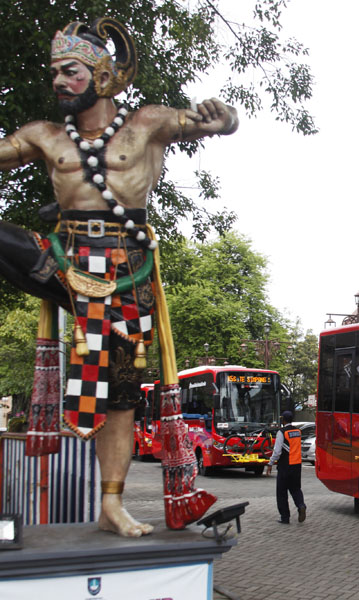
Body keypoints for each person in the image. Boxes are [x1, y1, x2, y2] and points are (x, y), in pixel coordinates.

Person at [0, 17, 238, 537]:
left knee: (122, 399)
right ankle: (58, 285)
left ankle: (113, 503)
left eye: (71, 72)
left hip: (129, 275)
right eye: (54, 73)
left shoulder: (147, 123)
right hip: (65, 263)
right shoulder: (43, 135)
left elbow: (207, 122)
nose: (59, 82)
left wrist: (222, 118)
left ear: (104, 76)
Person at [266, 411, 307, 524]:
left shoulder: (282, 432)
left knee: (282, 492)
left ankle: (285, 517)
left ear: (283, 420)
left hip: (285, 465)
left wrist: (270, 463)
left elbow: (277, 451)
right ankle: (301, 505)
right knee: (296, 489)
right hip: (297, 465)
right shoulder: (298, 432)